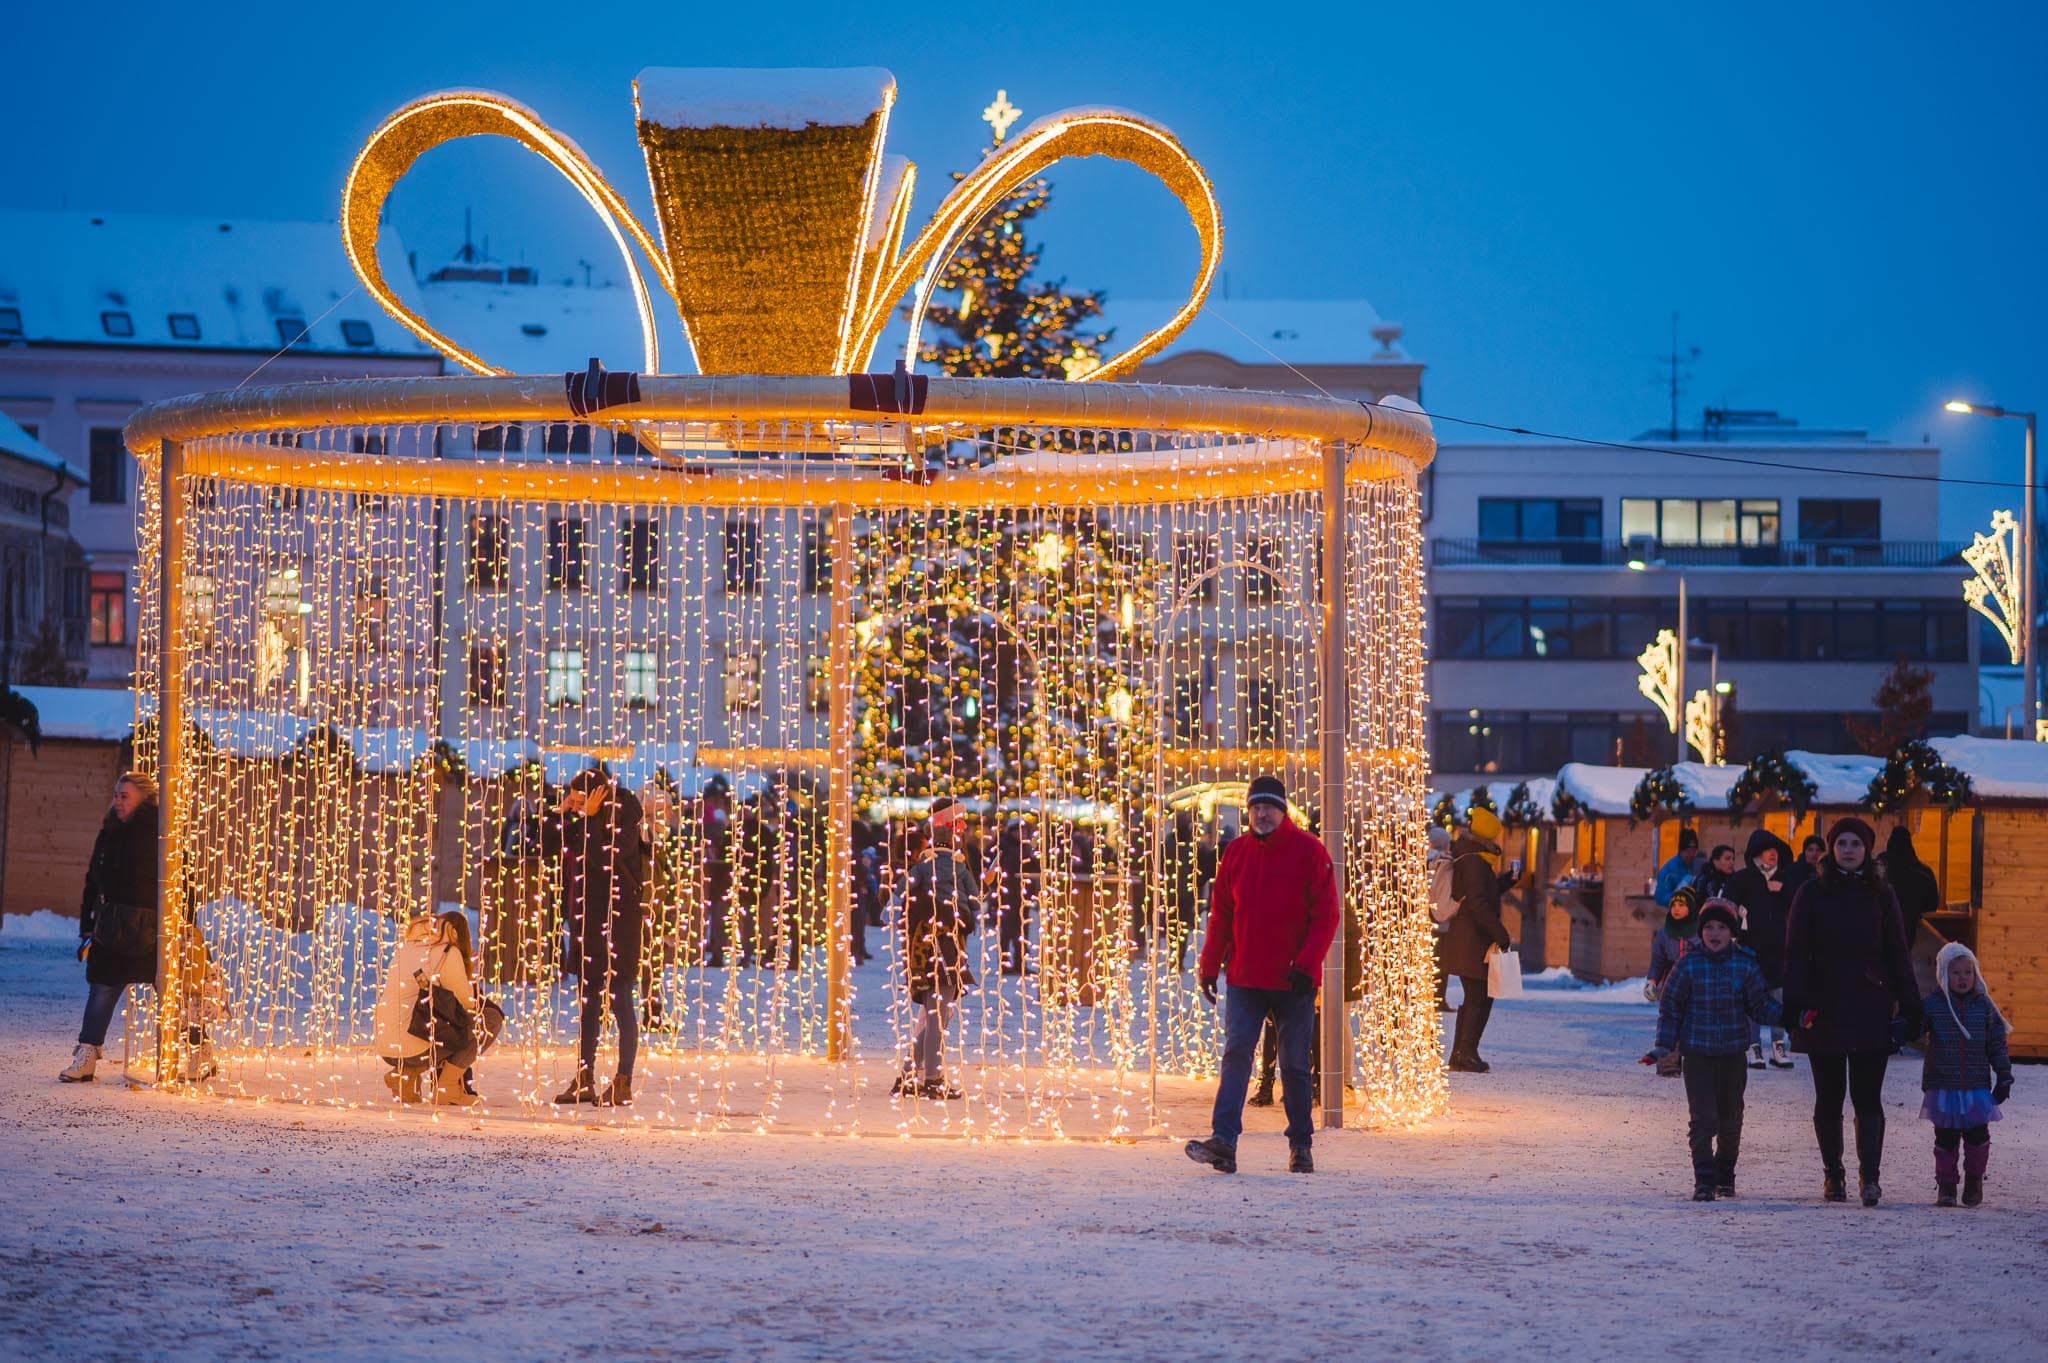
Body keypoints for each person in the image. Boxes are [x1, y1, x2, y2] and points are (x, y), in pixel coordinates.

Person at [1185, 775, 1338, 1176]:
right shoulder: (1236, 852)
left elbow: (1326, 917)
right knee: (1237, 1054)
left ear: (1282, 811)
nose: (1261, 814)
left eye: (1268, 807)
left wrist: (1307, 964)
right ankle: (1224, 1141)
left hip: (1293, 980)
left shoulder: (1310, 851)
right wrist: (1208, 966)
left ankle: (1301, 1143)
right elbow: (1221, 915)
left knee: (1294, 1063)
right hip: (1246, 977)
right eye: (1255, 808)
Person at [1782, 816, 1921, 1206]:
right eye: (1841, 843)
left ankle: (1870, 1178)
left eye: (1855, 844)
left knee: (1867, 1097)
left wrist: (1911, 1005)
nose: (1848, 850)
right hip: (1823, 1008)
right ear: (1831, 848)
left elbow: (1898, 953)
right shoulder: (1810, 893)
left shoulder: (1882, 895)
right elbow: (1795, 952)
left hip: (1869, 1006)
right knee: (1828, 1098)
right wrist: (1795, 1003)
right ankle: (1834, 1175)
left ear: (1867, 850)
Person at [1640, 898, 1783, 1201]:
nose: (1715, 933)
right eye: (1709, 927)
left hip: (1732, 1055)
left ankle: (1725, 1174)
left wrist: (1790, 1016)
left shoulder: (1744, 964)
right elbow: (1671, 1009)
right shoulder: (1687, 965)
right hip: (1698, 1055)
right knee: (1703, 1119)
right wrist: (1663, 1046)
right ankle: (1704, 1179)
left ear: (1732, 932)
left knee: (1731, 1119)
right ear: (1700, 931)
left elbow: (1760, 1005)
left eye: (1721, 927)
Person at [548, 770, 646, 1107]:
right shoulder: (581, 820)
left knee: (620, 1001)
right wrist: (561, 815)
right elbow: (551, 848)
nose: (576, 806)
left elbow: (606, 859)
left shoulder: (625, 817)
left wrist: (589, 819)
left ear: (599, 796)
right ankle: (584, 1077)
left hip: (619, 923)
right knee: (588, 1004)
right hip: (586, 924)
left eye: (580, 801)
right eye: (573, 801)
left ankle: (623, 1081)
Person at [61, 774, 167, 1083]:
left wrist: (184, 923)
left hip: (152, 928)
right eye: (116, 795)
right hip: (111, 925)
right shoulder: (109, 831)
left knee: (173, 989)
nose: (118, 802)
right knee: (103, 986)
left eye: (125, 796)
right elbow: (93, 880)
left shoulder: (159, 832)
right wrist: (87, 925)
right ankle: (87, 1054)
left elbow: (181, 877)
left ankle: (196, 1050)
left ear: (143, 799)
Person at [1916, 943, 2013, 1207]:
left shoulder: (1983, 1005)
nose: (1963, 978)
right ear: (1943, 975)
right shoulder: (1933, 1005)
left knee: (1977, 1136)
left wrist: (2004, 1073)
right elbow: (1916, 1031)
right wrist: (1906, 1022)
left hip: (1975, 1086)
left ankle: (1974, 1180)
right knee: (1945, 1138)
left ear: (1975, 974)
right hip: (1943, 1086)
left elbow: (1996, 1042)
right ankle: (1946, 1185)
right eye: (1956, 972)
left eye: (1968, 972)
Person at [897, 796, 979, 1099]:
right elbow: (972, 902)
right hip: (943, 946)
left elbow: (901, 894)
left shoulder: (930, 864)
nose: (964, 828)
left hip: (926, 946)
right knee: (936, 1017)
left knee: (935, 1016)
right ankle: (931, 1078)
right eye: (959, 823)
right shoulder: (948, 865)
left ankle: (910, 1076)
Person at [373, 911, 498, 1105]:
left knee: (438, 1024)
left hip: (387, 1047)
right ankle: (447, 1086)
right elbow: (466, 1003)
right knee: (490, 1018)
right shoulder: (447, 951)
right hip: (416, 1047)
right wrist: (470, 982)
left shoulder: (407, 947)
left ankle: (403, 1076)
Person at [1443, 807, 1516, 1074]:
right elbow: (1477, 902)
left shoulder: (1474, 858)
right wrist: (1500, 934)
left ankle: (1462, 1053)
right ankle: (1465, 1053)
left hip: (1471, 938)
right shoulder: (1474, 861)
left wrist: (1507, 881)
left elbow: (1483, 893)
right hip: (1471, 939)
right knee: (1479, 996)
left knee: (1477, 996)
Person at [1726, 829, 1796, 1070]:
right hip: (1750, 948)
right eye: (1768, 850)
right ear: (1757, 854)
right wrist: (1735, 924)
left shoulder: (1785, 879)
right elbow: (1727, 905)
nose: (1773, 854)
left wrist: (1783, 890)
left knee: (1778, 997)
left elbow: (1798, 904)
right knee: (1752, 997)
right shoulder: (1743, 879)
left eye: (1775, 850)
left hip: (1778, 948)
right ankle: (1753, 1046)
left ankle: (1778, 1045)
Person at [1653, 828, 1702, 907]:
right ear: (1680, 850)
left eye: (1694, 851)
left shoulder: (1699, 866)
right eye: (1688, 851)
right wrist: (1679, 893)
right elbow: (1660, 898)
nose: (1691, 855)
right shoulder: (1668, 870)